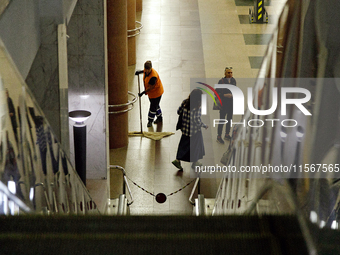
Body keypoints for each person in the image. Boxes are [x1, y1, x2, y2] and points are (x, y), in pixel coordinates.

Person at [172, 89, 208, 171]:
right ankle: (195, 162)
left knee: (183, 145)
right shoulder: (197, 108)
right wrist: (204, 125)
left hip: (184, 129)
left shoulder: (185, 102)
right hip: (194, 131)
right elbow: (197, 121)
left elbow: (178, 111)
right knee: (196, 147)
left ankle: (177, 160)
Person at [138, 60, 164, 127]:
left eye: (148, 69)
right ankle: (160, 118)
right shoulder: (146, 71)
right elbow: (144, 71)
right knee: (156, 105)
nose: (146, 71)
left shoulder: (153, 76)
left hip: (156, 93)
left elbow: (150, 87)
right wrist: (140, 72)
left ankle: (150, 120)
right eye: (145, 69)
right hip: (151, 94)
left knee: (152, 107)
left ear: (151, 68)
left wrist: (142, 93)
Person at [216, 67, 237, 144]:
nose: (230, 74)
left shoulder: (233, 81)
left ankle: (227, 134)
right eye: (228, 73)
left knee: (229, 119)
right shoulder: (221, 82)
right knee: (222, 120)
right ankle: (219, 136)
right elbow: (216, 93)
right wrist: (225, 95)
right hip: (223, 105)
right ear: (225, 73)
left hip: (231, 104)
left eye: (231, 72)